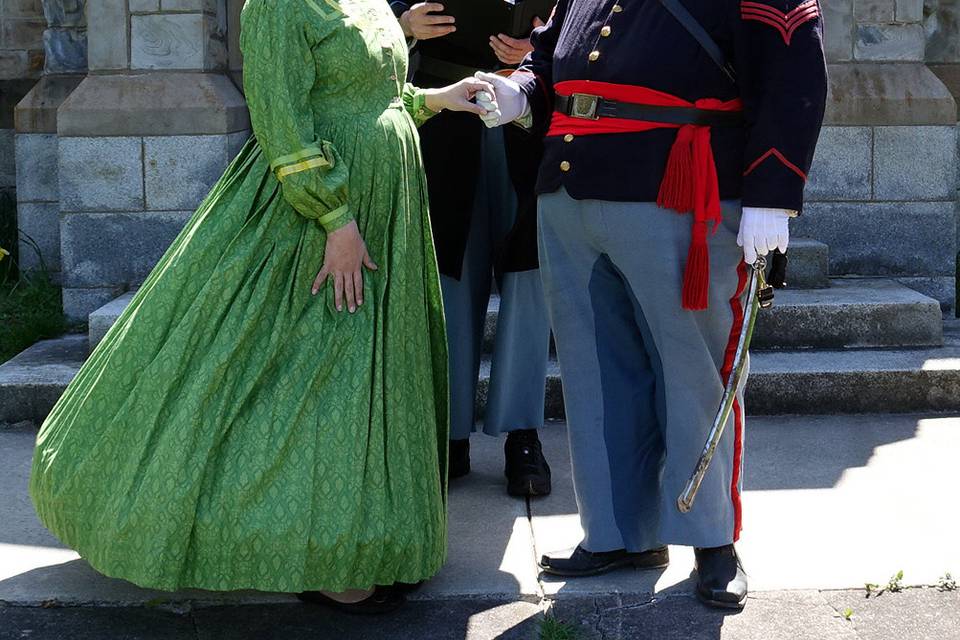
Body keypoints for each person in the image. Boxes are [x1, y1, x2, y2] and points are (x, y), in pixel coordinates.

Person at [29, 0, 495, 614]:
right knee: (316, 368)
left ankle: (371, 538)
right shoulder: (279, 4)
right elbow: (283, 121)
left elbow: (371, 97)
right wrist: (335, 220)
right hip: (316, 214)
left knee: (367, 374)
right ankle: (319, 555)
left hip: (387, 202)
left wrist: (438, 99)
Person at [477, 0, 826, 609]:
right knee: (594, 374)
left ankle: (712, 541)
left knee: (694, 375)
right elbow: (550, 60)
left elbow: (793, 73)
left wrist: (774, 192)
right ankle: (617, 533)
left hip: (680, 195)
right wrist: (519, 94)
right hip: (569, 191)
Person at [391, 1, 553, 496]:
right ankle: (450, 433)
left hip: (527, 122)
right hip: (443, 118)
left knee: (529, 282)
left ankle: (522, 434)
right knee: (450, 279)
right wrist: (403, 26)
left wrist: (542, 51)